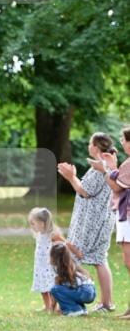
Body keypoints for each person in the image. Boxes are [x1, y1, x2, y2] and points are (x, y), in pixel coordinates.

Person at [57, 132, 116, 312]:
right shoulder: (101, 166)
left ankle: (68, 301)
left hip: (92, 223)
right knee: (99, 259)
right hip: (97, 221)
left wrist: (70, 177)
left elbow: (85, 191)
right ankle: (106, 303)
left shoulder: (101, 167)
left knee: (73, 255)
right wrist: (73, 175)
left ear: (96, 147)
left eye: (90, 143)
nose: (88, 146)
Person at [89, 124, 130, 319]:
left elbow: (116, 186)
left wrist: (106, 169)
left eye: (123, 139)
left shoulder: (129, 164)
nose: (121, 142)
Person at [27, 206, 68, 312]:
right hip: (40, 265)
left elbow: (64, 245)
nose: (31, 226)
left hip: (50, 265)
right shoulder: (39, 234)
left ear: (42, 223)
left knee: (51, 286)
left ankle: (53, 306)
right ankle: (47, 306)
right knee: (42, 285)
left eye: (33, 223)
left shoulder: (53, 234)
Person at [49, 242, 96, 316]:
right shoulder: (72, 263)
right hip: (91, 292)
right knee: (72, 290)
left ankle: (74, 310)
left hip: (83, 291)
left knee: (55, 289)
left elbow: (57, 290)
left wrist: (52, 308)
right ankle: (82, 310)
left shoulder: (58, 269)